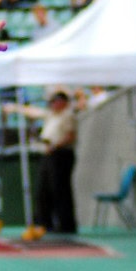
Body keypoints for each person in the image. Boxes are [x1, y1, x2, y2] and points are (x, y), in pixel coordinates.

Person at [34, 89, 77, 234]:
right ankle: (46, 223)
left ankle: (65, 224)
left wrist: (55, 145)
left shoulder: (67, 116)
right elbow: (35, 113)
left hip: (61, 154)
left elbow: (70, 136)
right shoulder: (51, 116)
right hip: (48, 153)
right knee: (45, 189)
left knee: (60, 189)